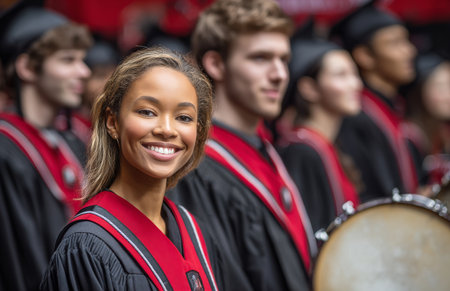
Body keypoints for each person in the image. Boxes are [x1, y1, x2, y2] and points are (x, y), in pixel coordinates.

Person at [40, 46, 220, 291]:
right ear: (113, 122)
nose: (167, 129)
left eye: (184, 117)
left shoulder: (194, 232)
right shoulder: (87, 246)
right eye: (147, 112)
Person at [167, 0, 316, 290]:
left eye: (284, 59)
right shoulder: (196, 168)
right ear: (216, 64)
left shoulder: (263, 150)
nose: (280, 75)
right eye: (260, 58)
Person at [0, 2, 92, 290]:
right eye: (68, 60)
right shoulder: (5, 152)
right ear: (26, 67)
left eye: (82, 59)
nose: (84, 72)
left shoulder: (74, 141)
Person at [277, 22, 362, 232]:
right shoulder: (302, 150)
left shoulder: (328, 144)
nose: (356, 84)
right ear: (309, 88)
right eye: (341, 75)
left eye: (355, 74)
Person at [330, 0, 418, 201]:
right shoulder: (356, 117)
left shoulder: (392, 108)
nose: (410, 51)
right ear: (365, 56)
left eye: (406, 41)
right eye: (395, 43)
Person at [401, 53, 450, 188]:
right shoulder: (408, 136)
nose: (448, 95)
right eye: (441, 87)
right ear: (420, 91)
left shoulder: (444, 130)